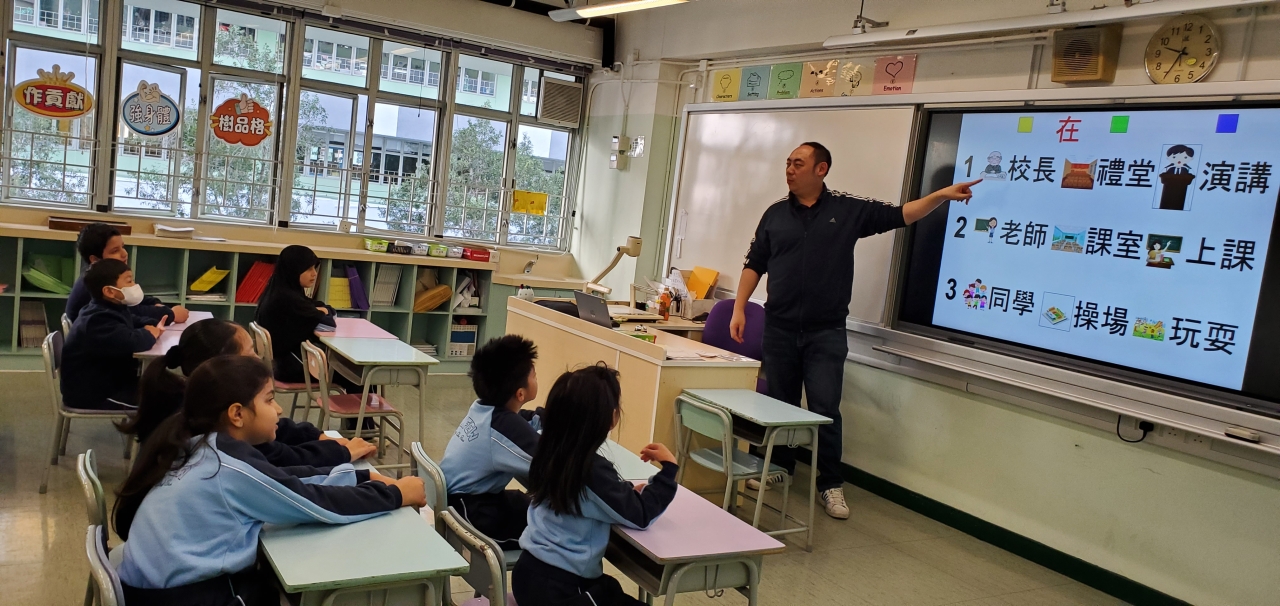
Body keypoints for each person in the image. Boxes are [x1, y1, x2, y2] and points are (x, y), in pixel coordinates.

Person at [730, 142, 979, 519]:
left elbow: (902, 215)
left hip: (826, 332)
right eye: (788, 163)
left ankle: (830, 484)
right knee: (779, 403)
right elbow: (755, 263)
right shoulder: (775, 214)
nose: (790, 170)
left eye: (798, 164)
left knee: (825, 408)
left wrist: (941, 196)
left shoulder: (846, 210)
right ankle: (779, 468)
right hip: (779, 328)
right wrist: (739, 307)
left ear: (821, 169)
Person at [112, 355, 426, 606]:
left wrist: (357, 476)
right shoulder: (227, 465)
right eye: (269, 399)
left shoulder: (200, 443)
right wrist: (395, 494)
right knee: (271, 587)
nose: (278, 409)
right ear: (237, 414)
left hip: (147, 586)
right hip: (177, 597)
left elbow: (283, 480)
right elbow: (316, 503)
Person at [513, 364, 679, 606]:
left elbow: (592, 497)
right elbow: (641, 514)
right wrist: (669, 471)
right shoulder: (590, 469)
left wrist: (623, 492)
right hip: (563, 591)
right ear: (612, 417)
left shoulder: (549, 451)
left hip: (528, 575)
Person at [120, 318, 376, 466]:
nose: (258, 359)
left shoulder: (198, 394)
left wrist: (317, 436)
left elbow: (274, 431)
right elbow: (276, 458)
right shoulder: (206, 419)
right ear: (223, 365)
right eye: (250, 352)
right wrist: (341, 453)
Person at [439, 335, 542, 550]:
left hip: (463, 501)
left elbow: (527, 421)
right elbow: (551, 461)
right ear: (520, 394)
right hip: (472, 517)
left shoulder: (484, 409)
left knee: (532, 506)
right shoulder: (503, 425)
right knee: (552, 531)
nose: (536, 377)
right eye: (534, 375)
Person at [61, 259, 165, 410]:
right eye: (129, 281)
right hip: (94, 393)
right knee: (167, 402)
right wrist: (150, 333)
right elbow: (132, 342)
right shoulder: (97, 320)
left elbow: (131, 320)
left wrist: (151, 323)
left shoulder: (109, 308)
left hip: (111, 380)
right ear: (109, 291)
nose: (134, 285)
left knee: (172, 387)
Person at [65, 222, 189, 325]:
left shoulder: (103, 277)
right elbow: (129, 313)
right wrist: (171, 314)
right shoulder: (94, 286)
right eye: (115, 251)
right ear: (95, 259)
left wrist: (154, 303)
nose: (124, 254)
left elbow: (133, 301)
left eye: (122, 247)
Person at [254, 245, 338, 385]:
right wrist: (322, 311)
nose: (314, 274)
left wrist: (322, 311)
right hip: (290, 365)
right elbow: (329, 325)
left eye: (314, 268)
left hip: (284, 360)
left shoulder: (280, 289)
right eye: (308, 269)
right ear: (294, 270)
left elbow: (323, 308)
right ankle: (366, 400)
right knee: (353, 374)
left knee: (349, 371)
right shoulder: (288, 299)